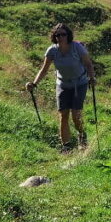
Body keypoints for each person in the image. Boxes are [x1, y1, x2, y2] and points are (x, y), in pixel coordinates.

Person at [26, 23, 95, 151]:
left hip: (79, 84)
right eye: (57, 35)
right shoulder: (52, 50)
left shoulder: (77, 47)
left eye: (63, 34)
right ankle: (66, 147)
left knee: (76, 115)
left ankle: (81, 134)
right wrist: (34, 83)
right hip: (62, 84)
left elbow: (88, 64)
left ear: (68, 35)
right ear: (54, 37)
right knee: (63, 115)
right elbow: (44, 69)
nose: (60, 37)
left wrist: (92, 78)